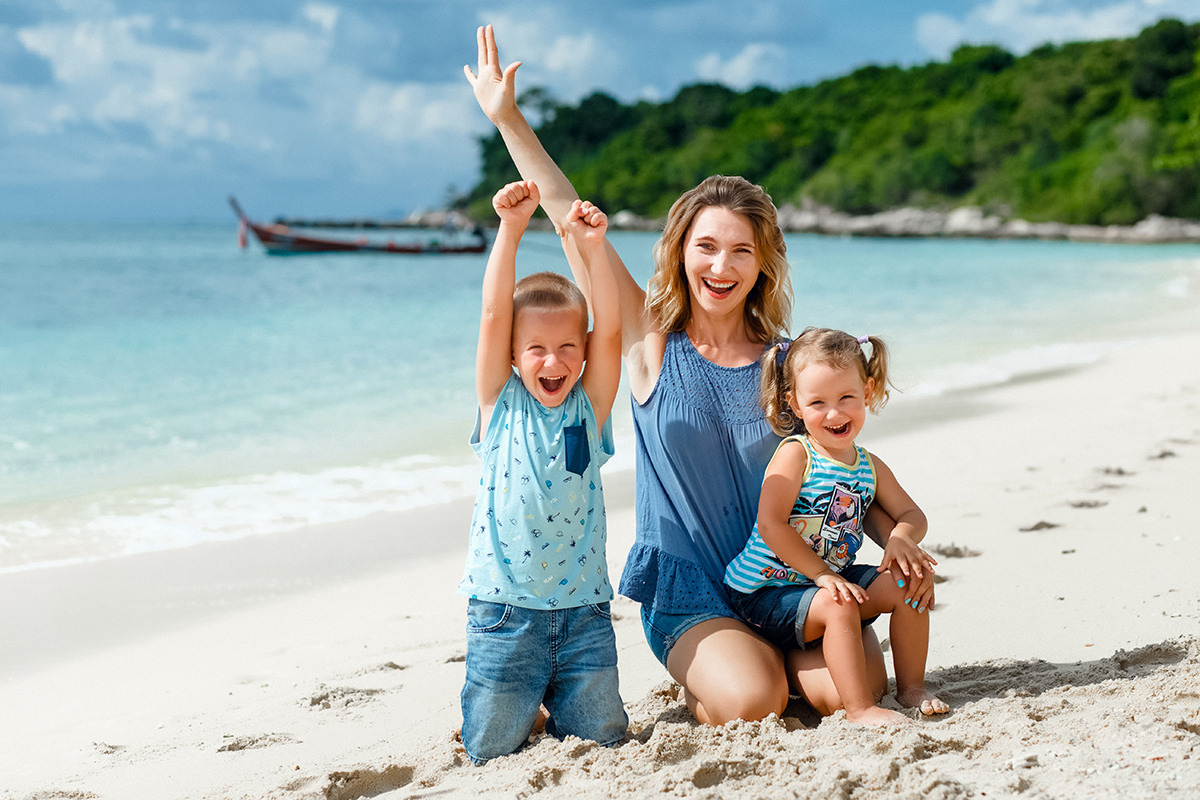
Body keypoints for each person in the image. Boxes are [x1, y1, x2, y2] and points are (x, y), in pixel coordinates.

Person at [465, 25, 937, 724]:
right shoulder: (649, 339)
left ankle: (770, 655)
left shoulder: (790, 365)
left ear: (763, 264)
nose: (721, 267)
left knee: (845, 695)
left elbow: (836, 476)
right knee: (756, 702)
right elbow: (571, 222)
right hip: (690, 589)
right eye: (706, 247)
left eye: (740, 252)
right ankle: (720, 671)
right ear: (681, 250)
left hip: (788, 580)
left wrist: (898, 536)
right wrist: (507, 117)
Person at [457, 178, 627, 764]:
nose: (552, 362)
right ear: (511, 354)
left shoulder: (591, 407)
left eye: (566, 348)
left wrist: (593, 247)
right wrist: (510, 228)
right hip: (505, 611)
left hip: (584, 614)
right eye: (535, 349)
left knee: (605, 738)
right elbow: (491, 312)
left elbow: (610, 328)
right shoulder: (499, 404)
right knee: (490, 748)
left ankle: (551, 700)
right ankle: (520, 702)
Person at [724, 328, 948, 723]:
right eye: (818, 402)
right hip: (766, 589)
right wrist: (822, 575)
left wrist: (899, 540)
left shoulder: (869, 466)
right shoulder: (797, 454)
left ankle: (912, 688)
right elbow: (771, 523)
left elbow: (914, 516)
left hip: (832, 579)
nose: (835, 413)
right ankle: (861, 710)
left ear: (869, 389)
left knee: (907, 582)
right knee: (838, 603)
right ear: (794, 403)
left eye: (847, 397)